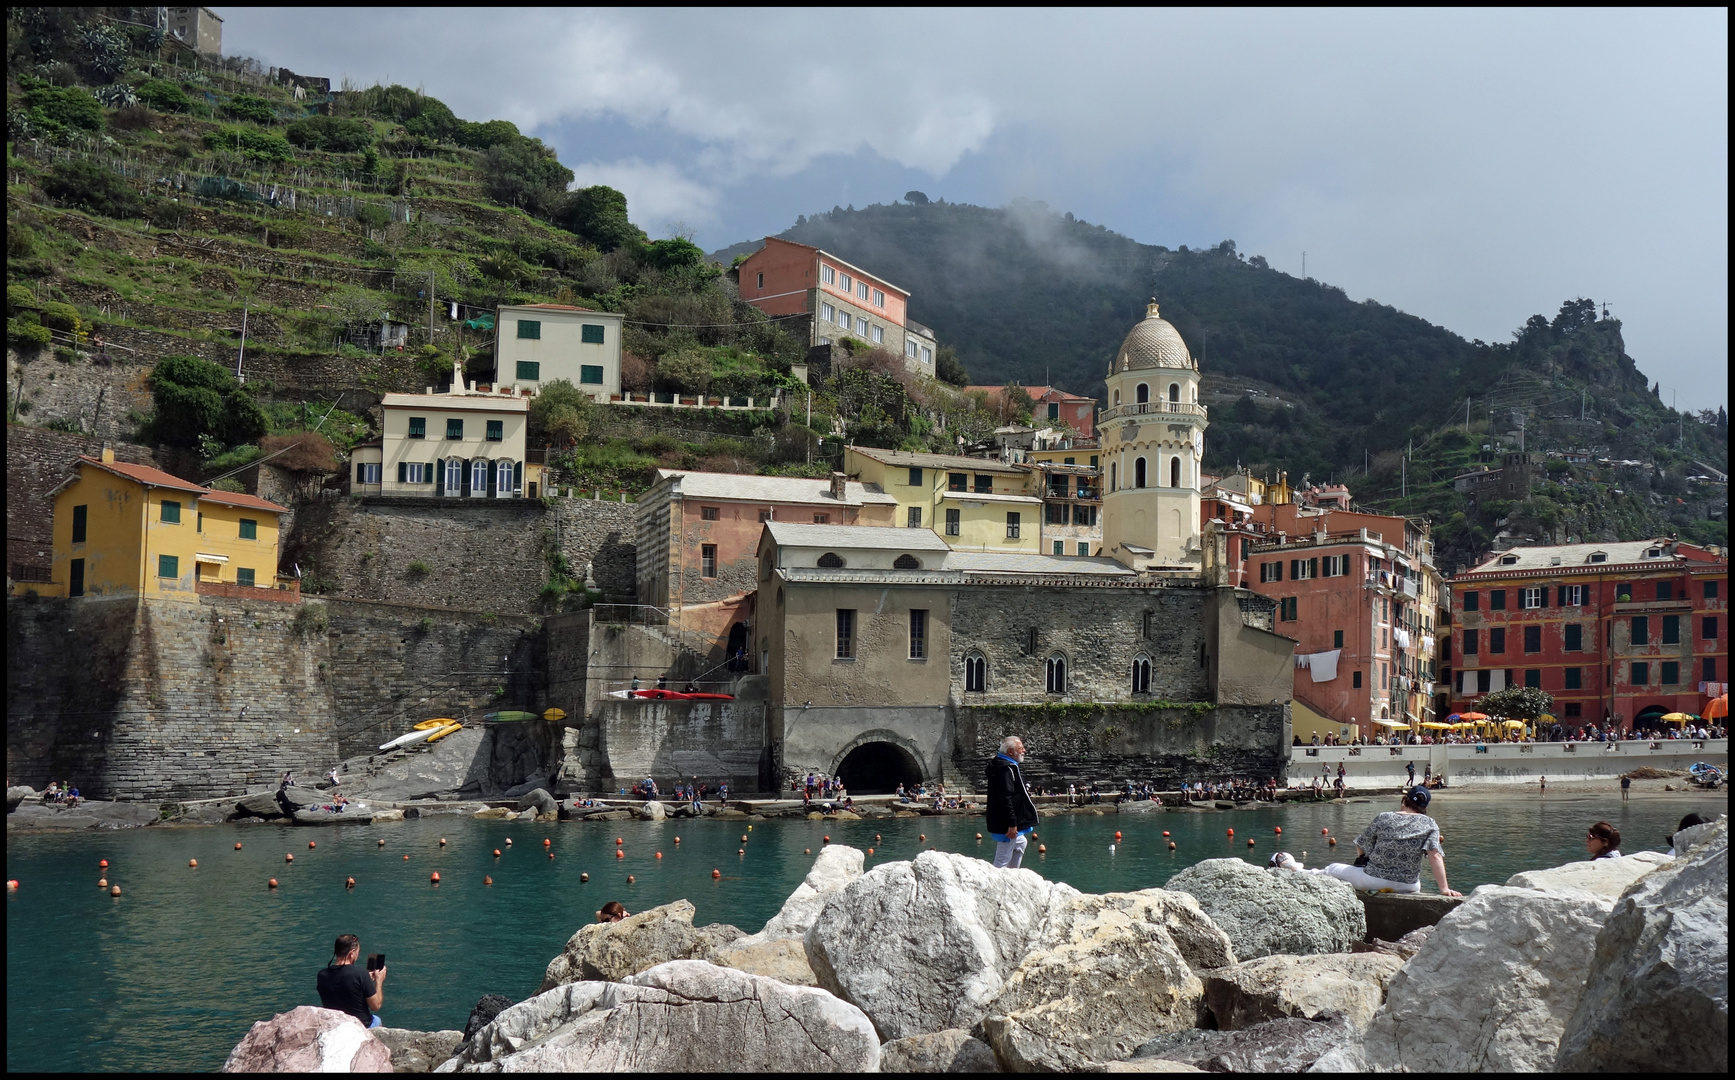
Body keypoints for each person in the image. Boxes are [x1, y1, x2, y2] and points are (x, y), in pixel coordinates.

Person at [1272, 785, 1460, 897]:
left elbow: (1361, 844)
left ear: (1404, 800)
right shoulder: (1430, 824)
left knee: (1332, 869)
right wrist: (1444, 889)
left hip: (1373, 880)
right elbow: (1435, 856)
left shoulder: (1384, 817)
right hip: (1409, 885)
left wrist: (1363, 859)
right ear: (1424, 808)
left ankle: (1294, 869)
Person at [985, 735, 1038, 869]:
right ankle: (998, 884)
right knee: (1002, 860)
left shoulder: (1003, 765)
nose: (1024, 750)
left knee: (1020, 843)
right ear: (1010, 752)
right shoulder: (1006, 770)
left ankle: (1013, 876)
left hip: (1002, 819)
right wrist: (1012, 823)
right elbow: (1005, 797)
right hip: (1006, 823)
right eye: (1020, 748)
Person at [317, 934, 386, 1028]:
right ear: (352, 953)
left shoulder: (322, 975)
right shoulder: (360, 974)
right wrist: (379, 980)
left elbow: (343, 985)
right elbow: (376, 1006)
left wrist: (365, 981)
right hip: (360, 1025)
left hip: (335, 1024)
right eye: (358, 952)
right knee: (377, 1020)